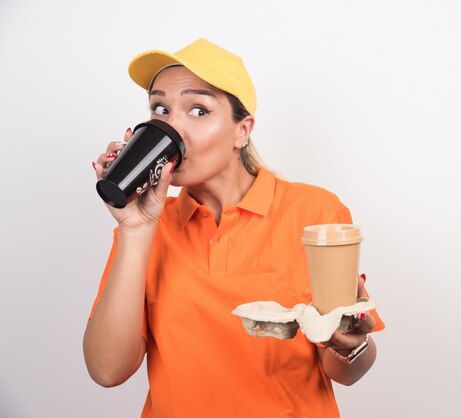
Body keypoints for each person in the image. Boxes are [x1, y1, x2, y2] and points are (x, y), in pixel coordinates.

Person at [83, 38, 385, 418]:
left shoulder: (315, 210)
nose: (171, 126)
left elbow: (345, 371)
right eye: (160, 108)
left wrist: (350, 345)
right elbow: (107, 371)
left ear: (242, 131)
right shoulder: (146, 228)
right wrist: (135, 229)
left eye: (197, 109)